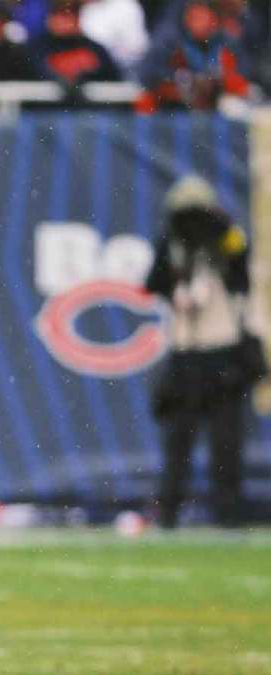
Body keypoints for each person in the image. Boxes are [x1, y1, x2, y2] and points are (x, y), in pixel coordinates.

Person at [144, 175, 262, 528]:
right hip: (186, 354)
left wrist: (217, 238)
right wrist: (176, 282)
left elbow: (241, 270)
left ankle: (228, 512)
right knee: (178, 440)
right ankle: (169, 512)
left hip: (223, 352)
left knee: (226, 441)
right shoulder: (171, 245)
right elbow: (152, 282)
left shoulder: (226, 239)